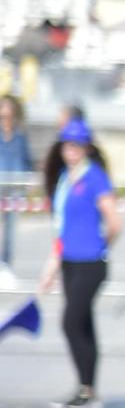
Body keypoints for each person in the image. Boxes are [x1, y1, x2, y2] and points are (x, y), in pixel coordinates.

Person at [39, 118, 119, 408]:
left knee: (71, 322)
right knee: (83, 324)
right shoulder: (64, 178)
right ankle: (85, 390)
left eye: (76, 144)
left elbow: (114, 220)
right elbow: (61, 229)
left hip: (91, 263)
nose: (70, 150)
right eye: (66, 144)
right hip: (70, 261)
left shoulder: (95, 177)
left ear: (86, 147)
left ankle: (88, 392)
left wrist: (101, 245)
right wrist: (50, 268)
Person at [0, 94, 34, 281]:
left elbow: (27, 159)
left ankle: (6, 265)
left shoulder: (20, 136)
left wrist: (27, 181)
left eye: (7, 107)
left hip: (14, 189)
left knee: (10, 230)